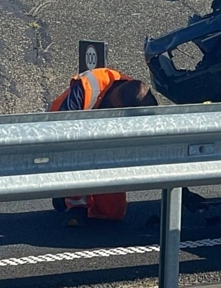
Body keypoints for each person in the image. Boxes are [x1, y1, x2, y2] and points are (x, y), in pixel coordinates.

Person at [49, 68, 158, 226]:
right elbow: (64, 133)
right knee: (76, 156)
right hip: (63, 136)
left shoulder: (136, 96)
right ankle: (72, 202)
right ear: (117, 106)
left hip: (103, 148)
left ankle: (86, 201)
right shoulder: (87, 86)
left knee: (112, 213)